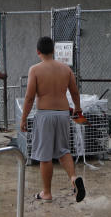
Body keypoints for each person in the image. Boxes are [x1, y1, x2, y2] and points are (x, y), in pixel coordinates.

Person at [19, 36, 86, 202]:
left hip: (45, 114)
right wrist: (77, 108)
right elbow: (75, 92)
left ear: (38, 52)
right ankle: (73, 179)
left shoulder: (35, 70)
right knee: (63, 150)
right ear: (54, 51)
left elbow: (29, 97)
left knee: (45, 155)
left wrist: (23, 118)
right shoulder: (65, 69)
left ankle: (46, 193)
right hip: (63, 113)